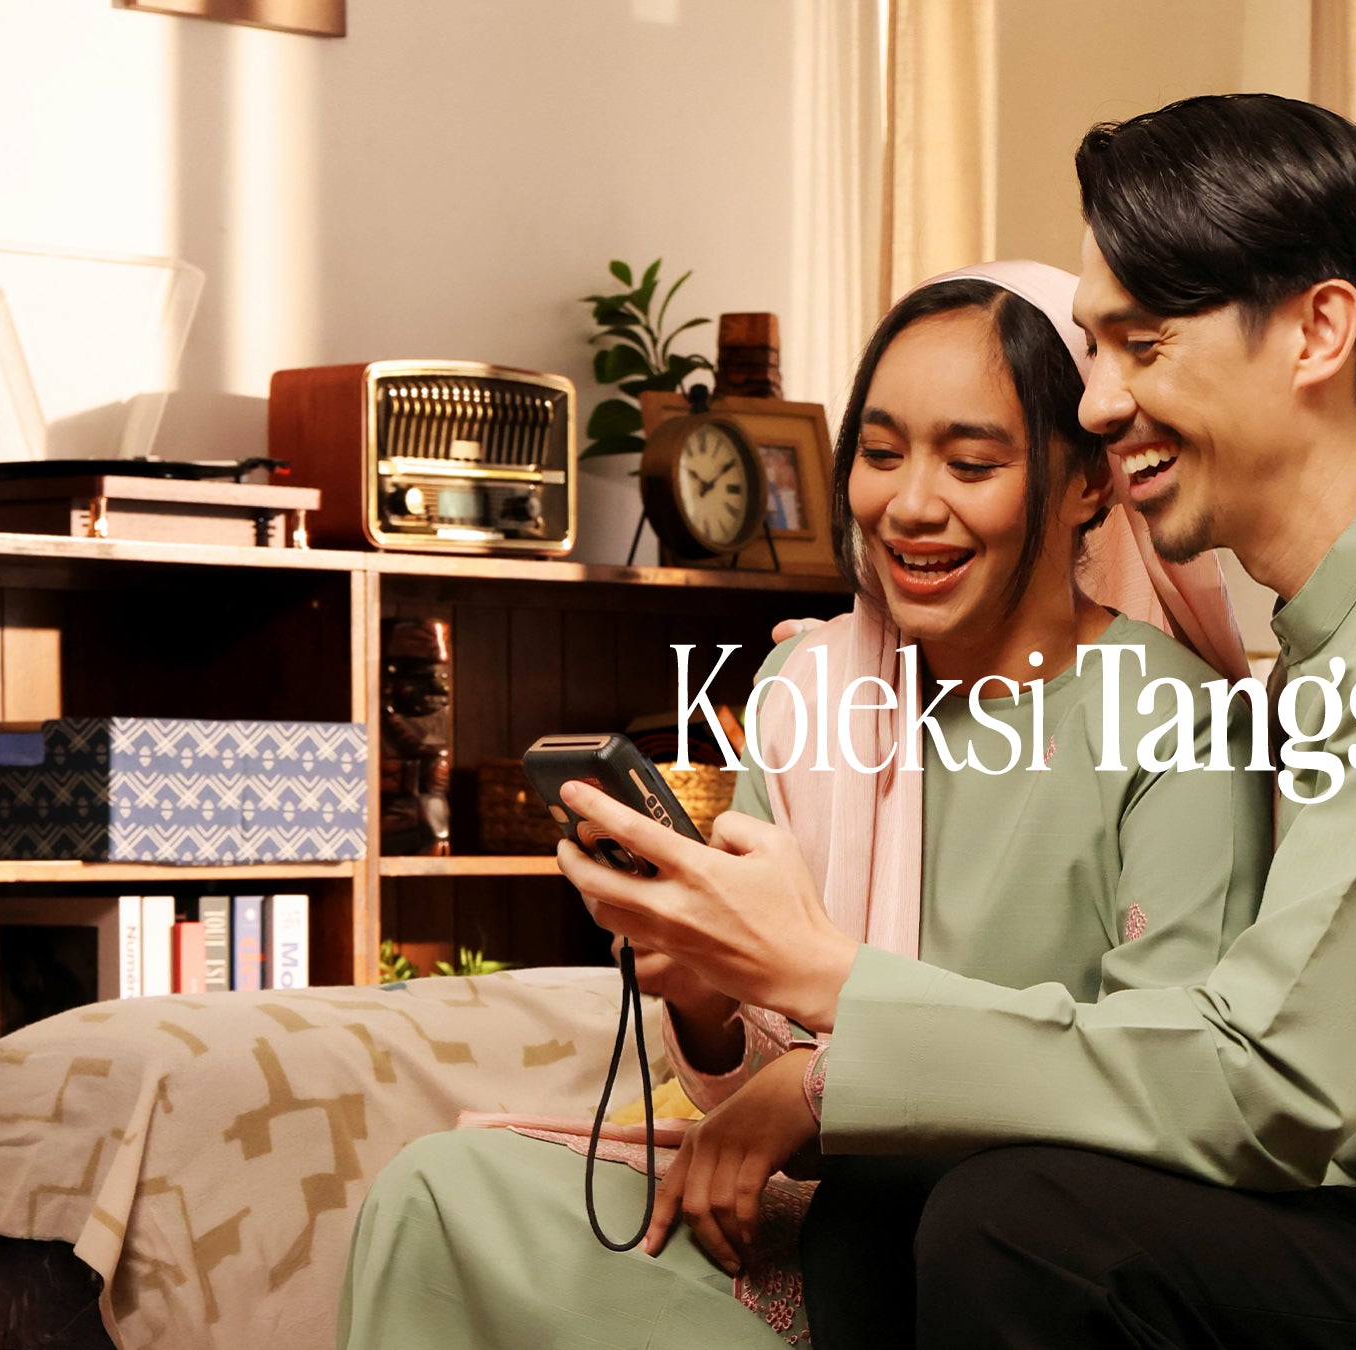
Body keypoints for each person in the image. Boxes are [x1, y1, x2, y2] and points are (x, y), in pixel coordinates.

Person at [558, 94, 1356, 1350]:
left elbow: (1268, 1080)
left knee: (1022, 1229)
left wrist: (827, 984)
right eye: (1095, 350)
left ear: (1318, 331)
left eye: (1142, 345)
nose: (1098, 404)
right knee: (897, 1203)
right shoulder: (1343, 631)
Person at [336, 261, 1270, 1348]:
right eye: (880, 453)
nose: (909, 505)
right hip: (816, 1207)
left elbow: (1164, 1081)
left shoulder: (1177, 722)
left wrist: (821, 1085)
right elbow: (747, 1075)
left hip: (1004, 1248)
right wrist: (700, 993)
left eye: (972, 463)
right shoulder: (808, 689)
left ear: (1089, 484)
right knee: (440, 1193)